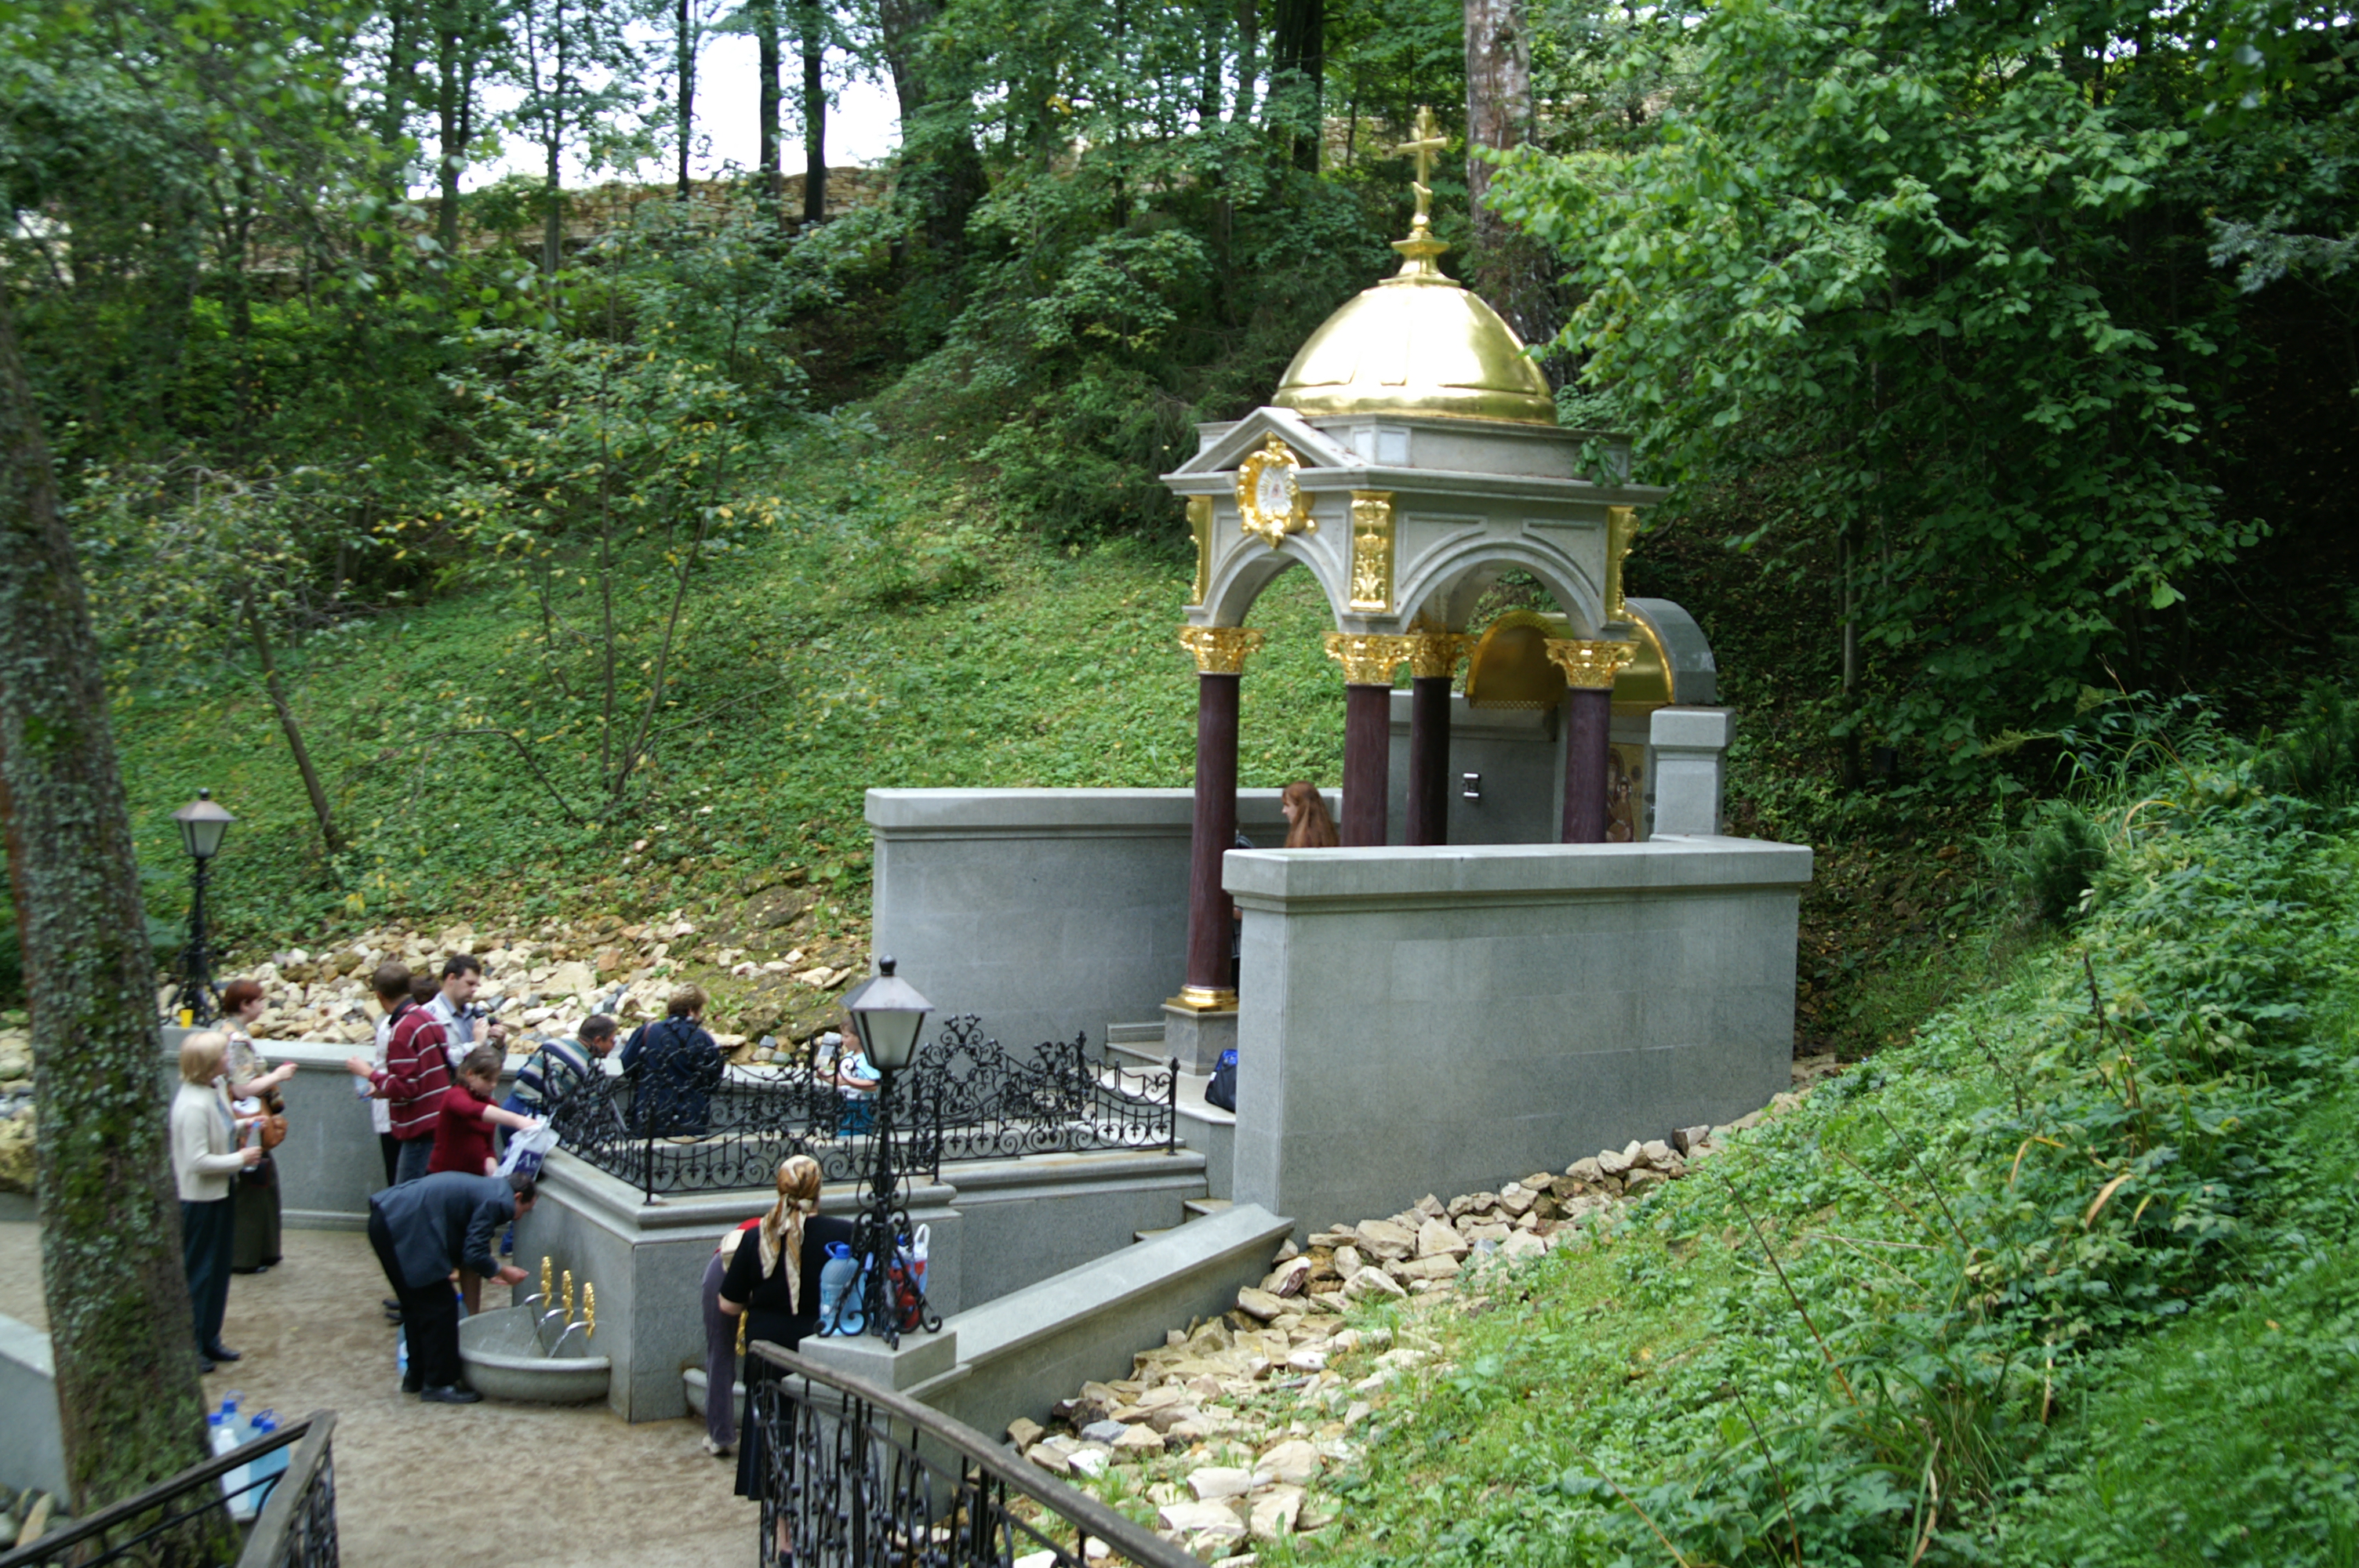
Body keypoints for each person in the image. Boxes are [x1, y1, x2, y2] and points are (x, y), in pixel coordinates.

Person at [717, 1156, 856, 1504]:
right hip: (819, 1353)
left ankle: (784, 1538)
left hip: (769, 1355)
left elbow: (728, 1304)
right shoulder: (844, 1234)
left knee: (774, 1445)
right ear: (819, 1192)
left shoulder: (757, 1236)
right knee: (819, 1440)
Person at [365, 1170, 536, 1403]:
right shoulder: (499, 1201)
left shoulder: (486, 1190)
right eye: (522, 1212)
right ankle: (439, 1383)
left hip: (386, 1220)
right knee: (442, 1306)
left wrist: (488, 1277)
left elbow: (470, 1255)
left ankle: (416, 1376)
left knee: (416, 1305)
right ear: (517, 1197)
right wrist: (502, 1271)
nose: (518, 1219)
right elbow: (474, 1253)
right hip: (404, 1226)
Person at [171, 1032, 264, 1374]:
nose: (229, 1059)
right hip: (199, 1200)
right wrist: (241, 1158)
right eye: (223, 1055)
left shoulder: (211, 1091)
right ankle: (191, 1344)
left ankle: (210, 1337)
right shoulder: (192, 1104)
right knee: (200, 1273)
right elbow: (197, 1161)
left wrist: (243, 1124)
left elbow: (222, 1125)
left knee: (217, 1271)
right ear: (208, 1063)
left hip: (219, 1194)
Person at [348, 966, 461, 1184]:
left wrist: (369, 1073)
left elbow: (405, 1089)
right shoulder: (428, 1018)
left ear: (379, 995)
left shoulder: (401, 1030)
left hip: (420, 1132)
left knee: (408, 1201)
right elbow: (425, 1076)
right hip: (441, 1121)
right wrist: (381, 1091)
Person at [219, 978, 296, 1275]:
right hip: (247, 1123)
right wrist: (278, 1075)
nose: (264, 1006)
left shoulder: (228, 1032)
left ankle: (261, 1252)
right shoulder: (236, 1040)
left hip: (245, 1122)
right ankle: (245, 1257)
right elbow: (242, 1088)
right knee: (254, 1185)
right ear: (245, 1005)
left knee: (263, 1181)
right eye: (259, 1001)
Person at [699, 1215, 764, 1457]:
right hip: (726, 1271)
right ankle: (720, 1435)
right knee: (721, 1351)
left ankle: (721, 1436)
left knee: (721, 1352)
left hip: (732, 1271)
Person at [620, 986, 722, 1136]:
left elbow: (627, 1065)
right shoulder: (704, 1039)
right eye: (700, 1011)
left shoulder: (647, 1031)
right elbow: (713, 1081)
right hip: (691, 1119)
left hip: (650, 1115)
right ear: (691, 1011)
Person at [358, 962, 418, 1189]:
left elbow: (400, 1080)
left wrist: (367, 1074)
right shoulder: (420, 1020)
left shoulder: (393, 1027)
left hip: (396, 1110)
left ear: (379, 995)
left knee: (398, 1177)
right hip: (411, 1112)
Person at [506, 1014, 617, 1123]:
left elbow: (524, 1071)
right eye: (612, 1041)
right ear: (598, 1041)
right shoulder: (589, 1070)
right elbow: (592, 1113)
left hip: (510, 1108)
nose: (613, 1046)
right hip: (536, 1121)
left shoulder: (552, 1044)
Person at [424, 953, 507, 1070]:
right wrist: (476, 1045)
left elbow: (491, 1067)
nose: (474, 990)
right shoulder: (429, 1016)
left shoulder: (475, 1013)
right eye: (470, 984)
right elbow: (440, 1060)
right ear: (451, 979)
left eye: (476, 985)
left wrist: (498, 1045)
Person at [1280, 780, 1340, 848]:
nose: (1284, 811)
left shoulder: (1305, 840)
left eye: (1287, 805)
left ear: (1301, 808)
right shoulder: (1327, 834)